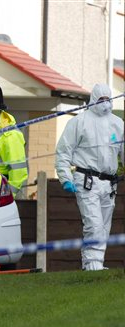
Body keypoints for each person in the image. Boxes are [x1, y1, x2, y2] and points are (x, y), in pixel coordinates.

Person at [55, 83, 124, 271]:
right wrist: (65, 177)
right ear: (93, 99)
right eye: (101, 99)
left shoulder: (117, 124)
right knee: (93, 224)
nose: (105, 103)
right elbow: (63, 152)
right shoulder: (79, 122)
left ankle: (94, 264)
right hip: (86, 181)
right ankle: (92, 265)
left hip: (109, 184)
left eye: (108, 99)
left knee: (103, 227)